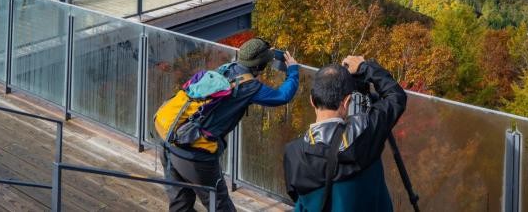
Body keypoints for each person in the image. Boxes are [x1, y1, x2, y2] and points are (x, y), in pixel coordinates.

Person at [164, 38, 299, 212]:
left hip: (171, 140)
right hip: (196, 155)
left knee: (180, 206)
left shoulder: (226, 69)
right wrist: (293, 71)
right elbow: (282, 96)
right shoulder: (249, 86)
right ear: (259, 66)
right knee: (221, 207)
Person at [283, 56, 407, 212]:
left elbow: (297, 196)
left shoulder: (294, 153)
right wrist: (365, 68)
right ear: (347, 101)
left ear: (312, 101)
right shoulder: (368, 133)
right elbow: (396, 96)